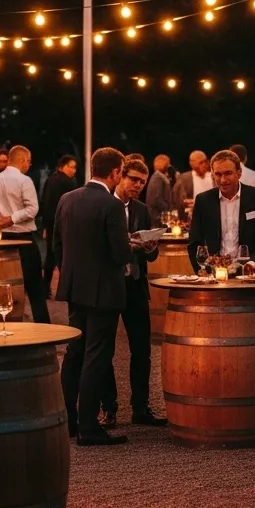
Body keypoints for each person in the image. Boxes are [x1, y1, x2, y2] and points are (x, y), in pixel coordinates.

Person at [54, 147, 134, 446]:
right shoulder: (111, 205)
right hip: (104, 291)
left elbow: (57, 247)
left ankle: (67, 421)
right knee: (96, 356)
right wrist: (132, 247)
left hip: (75, 288)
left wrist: (71, 274)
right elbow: (119, 253)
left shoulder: (67, 199)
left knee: (74, 354)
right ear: (115, 173)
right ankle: (89, 426)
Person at [99, 156, 167, 428]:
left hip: (135, 284)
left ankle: (140, 408)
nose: (138, 185)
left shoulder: (141, 209)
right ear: (120, 176)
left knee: (142, 350)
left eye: (142, 181)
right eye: (133, 179)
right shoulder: (104, 205)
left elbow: (151, 257)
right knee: (104, 350)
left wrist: (150, 246)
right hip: (109, 283)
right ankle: (109, 408)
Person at [0, 144, 50, 324]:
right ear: (23, 160)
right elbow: (33, 209)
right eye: (29, 161)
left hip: (0, 241)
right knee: (35, 290)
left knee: (2, 287)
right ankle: (44, 330)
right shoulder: (24, 181)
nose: (29, 165)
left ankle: (3, 327)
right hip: (23, 241)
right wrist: (10, 219)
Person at [187, 149, 255, 272]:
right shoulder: (203, 201)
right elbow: (194, 242)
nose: (223, 180)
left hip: (250, 274)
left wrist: (253, 264)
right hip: (214, 274)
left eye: (228, 173)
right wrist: (201, 270)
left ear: (239, 173)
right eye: (218, 174)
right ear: (212, 174)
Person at [40, 154, 78, 296]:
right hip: (64, 223)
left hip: (51, 222)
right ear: (62, 166)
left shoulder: (50, 179)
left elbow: (44, 202)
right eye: (71, 167)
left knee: (50, 255)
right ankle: (66, 288)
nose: (74, 170)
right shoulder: (69, 183)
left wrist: (44, 225)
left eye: (75, 168)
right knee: (66, 256)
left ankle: (45, 287)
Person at [171, 149, 213, 217]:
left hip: (212, 215)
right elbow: (178, 201)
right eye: (201, 162)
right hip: (193, 217)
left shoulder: (213, 177)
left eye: (205, 161)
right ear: (192, 164)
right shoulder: (184, 179)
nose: (204, 165)